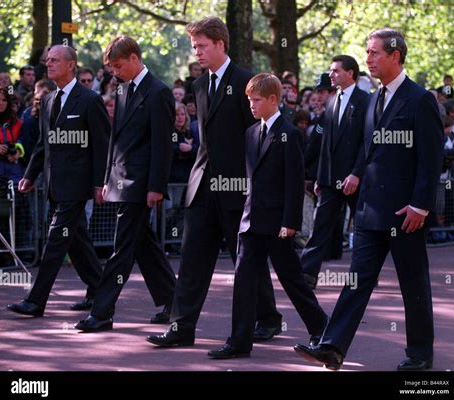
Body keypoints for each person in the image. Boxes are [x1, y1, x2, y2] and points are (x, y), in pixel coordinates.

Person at [294, 28, 443, 371]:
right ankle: (332, 347)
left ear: (395, 55)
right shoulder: (373, 98)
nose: (368, 59)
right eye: (367, 52)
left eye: (375, 53)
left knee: (413, 284)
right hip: (370, 211)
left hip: (406, 212)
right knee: (355, 282)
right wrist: (358, 173)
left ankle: (420, 354)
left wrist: (421, 205)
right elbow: (368, 147)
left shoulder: (420, 99)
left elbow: (431, 159)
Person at [147, 17, 282, 348]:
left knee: (245, 258)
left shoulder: (248, 80)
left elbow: (263, 135)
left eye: (202, 46)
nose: (197, 52)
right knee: (192, 257)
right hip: (202, 184)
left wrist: (256, 184)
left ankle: (268, 318)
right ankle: (182, 327)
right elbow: (206, 140)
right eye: (194, 46)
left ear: (221, 44)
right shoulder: (199, 85)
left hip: (238, 187)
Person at [208, 73, 327, 359]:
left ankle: (323, 330)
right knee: (244, 280)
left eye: (257, 100)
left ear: (274, 100)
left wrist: (290, 223)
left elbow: (293, 182)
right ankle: (239, 341)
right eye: (249, 100)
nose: (251, 105)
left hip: (277, 225)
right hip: (252, 221)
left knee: (292, 280)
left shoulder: (290, 133)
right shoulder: (250, 133)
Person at [75, 35, 177, 332]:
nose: (115, 72)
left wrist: (156, 186)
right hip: (121, 180)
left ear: (135, 58)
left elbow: (162, 145)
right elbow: (113, 140)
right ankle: (174, 302)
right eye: (112, 68)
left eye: (118, 66)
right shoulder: (121, 90)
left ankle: (102, 311)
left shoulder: (159, 93)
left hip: (141, 183)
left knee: (121, 250)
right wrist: (107, 179)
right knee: (144, 247)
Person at [7, 45, 110, 317]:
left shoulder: (90, 100)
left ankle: (35, 300)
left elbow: (102, 147)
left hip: (76, 187)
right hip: (54, 185)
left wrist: (100, 183)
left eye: (54, 61)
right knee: (77, 242)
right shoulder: (50, 100)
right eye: (47, 61)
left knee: (55, 240)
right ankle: (100, 288)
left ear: (71, 65)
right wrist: (30, 174)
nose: (48, 65)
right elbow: (44, 144)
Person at [300, 55, 369, 289]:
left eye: (336, 71)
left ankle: (364, 274)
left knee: (363, 228)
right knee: (320, 225)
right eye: (331, 71)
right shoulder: (331, 102)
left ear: (350, 73)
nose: (331, 74)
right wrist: (320, 177)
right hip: (330, 179)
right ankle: (307, 274)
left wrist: (357, 173)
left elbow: (367, 143)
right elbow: (325, 145)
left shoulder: (365, 101)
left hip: (354, 179)